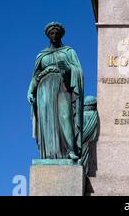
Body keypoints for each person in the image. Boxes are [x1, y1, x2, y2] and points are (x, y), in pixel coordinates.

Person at [27, 22, 84, 160]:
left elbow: (78, 70)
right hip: (44, 89)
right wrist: (30, 91)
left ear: (61, 35)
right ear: (48, 36)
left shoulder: (68, 52)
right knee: (47, 120)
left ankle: (70, 150)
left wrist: (69, 68)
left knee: (65, 117)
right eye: (51, 33)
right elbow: (35, 76)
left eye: (57, 33)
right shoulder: (42, 55)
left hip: (62, 85)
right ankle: (49, 154)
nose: (54, 35)